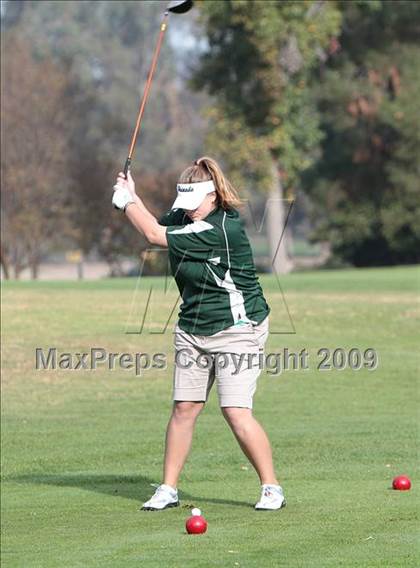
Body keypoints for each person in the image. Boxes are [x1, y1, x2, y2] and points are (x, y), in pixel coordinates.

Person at [112, 156, 286, 511]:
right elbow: (158, 225)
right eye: (185, 205)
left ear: (213, 197)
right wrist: (132, 194)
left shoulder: (221, 229)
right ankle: (168, 489)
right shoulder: (188, 215)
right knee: (184, 408)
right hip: (193, 327)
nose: (188, 211)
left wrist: (127, 203)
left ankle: (272, 488)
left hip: (238, 328)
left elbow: (152, 235)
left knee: (235, 410)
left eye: (195, 205)